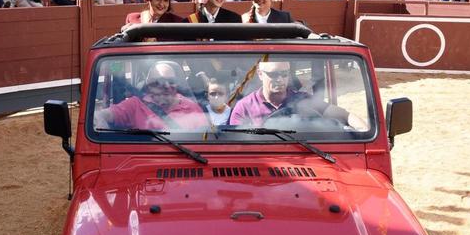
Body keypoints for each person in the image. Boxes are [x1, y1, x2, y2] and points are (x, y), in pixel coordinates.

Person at [229, 60, 362, 127]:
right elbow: (236, 144)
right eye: (273, 74)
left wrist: (362, 129)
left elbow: (346, 115)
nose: (280, 79)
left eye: (284, 74)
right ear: (260, 74)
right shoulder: (244, 107)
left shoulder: (302, 100)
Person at [94, 61, 208, 131]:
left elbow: (206, 140)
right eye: (159, 82)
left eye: (171, 81)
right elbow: (101, 115)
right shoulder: (135, 105)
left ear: (177, 84)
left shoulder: (192, 107)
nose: (166, 86)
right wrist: (100, 121)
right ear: (149, 86)